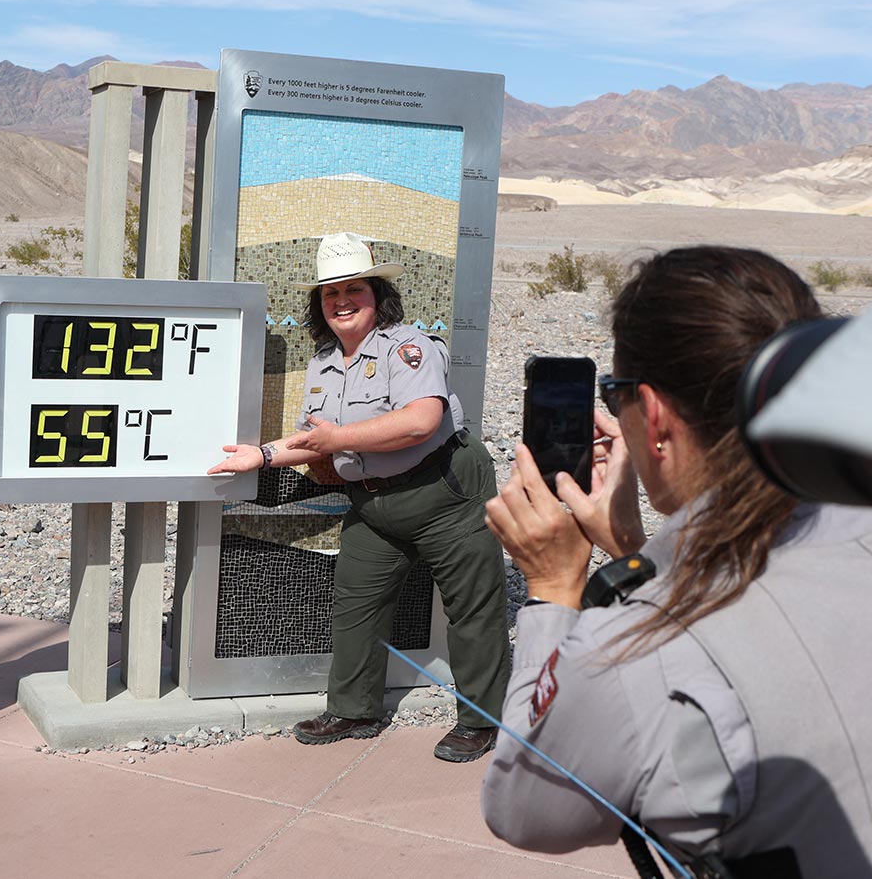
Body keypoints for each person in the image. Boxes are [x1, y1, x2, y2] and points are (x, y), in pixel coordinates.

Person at [481, 246, 872, 875]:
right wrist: (637, 553)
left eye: (616, 395)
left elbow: (527, 812)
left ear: (655, 415)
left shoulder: (630, 649)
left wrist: (555, 588)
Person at [209, 232, 510, 762]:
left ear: (377, 295)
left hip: (446, 493)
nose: (342, 301)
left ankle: (482, 722)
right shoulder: (324, 364)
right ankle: (354, 710)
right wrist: (260, 455)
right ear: (319, 304)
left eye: (354, 289)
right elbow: (311, 436)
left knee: (473, 611)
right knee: (356, 605)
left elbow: (421, 421)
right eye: (331, 293)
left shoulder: (409, 347)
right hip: (373, 503)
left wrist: (338, 441)